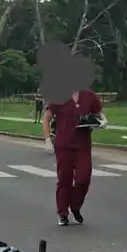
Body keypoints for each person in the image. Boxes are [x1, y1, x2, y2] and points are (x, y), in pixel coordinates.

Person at [44, 86, 103, 226]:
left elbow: (99, 112)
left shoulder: (88, 95)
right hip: (64, 144)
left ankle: (75, 206)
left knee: (84, 178)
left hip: (83, 144)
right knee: (65, 179)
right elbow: (46, 118)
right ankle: (63, 213)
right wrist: (47, 139)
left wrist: (103, 121)